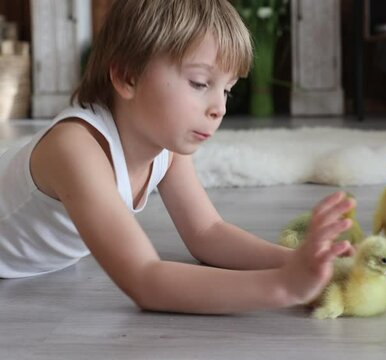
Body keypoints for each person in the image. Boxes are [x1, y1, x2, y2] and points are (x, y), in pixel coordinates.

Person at [0, 0, 355, 314]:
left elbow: (207, 233)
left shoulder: (164, 148)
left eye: (227, 91)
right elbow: (145, 280)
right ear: (127, 76)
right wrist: (284, 287)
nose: (219, 108)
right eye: (201, 83)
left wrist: (302, 262)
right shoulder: (75, 149)